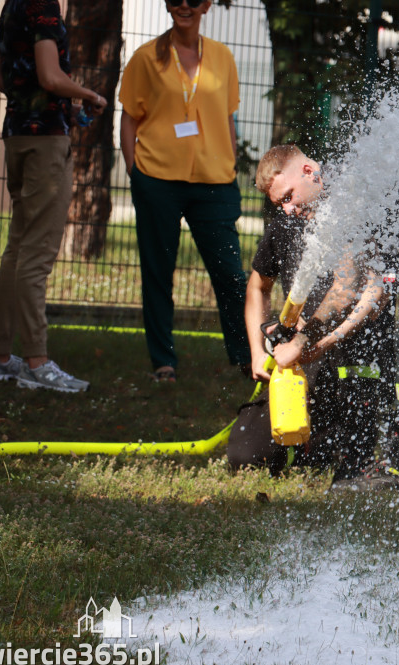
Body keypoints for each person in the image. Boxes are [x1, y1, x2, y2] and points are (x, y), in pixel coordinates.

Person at [227, 145, 394, 481]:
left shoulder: (356, 207)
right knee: (245, 455)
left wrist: (306, 340)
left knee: (343, 430)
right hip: (305, 362)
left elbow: (350, 290)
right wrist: (258, 353)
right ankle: (320, 445)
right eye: (280, 204)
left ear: (307, 171)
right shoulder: (285, 226)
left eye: (289, 196)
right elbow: (257, 288)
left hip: (355, 356)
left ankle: (353, 450)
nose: (288, 209)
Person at [119, 0, 248, 383]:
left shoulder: (223, 57)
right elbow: (129, 119)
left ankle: (247, 356)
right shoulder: (146, 58)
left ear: (206, 5)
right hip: (157, 179)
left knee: (230, 273)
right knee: (158, 272)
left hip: (214, 182)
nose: (184, 6)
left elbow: (227, 118)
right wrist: (134, 171)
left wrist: (231, 163)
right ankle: (164, 362)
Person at [0, 0, 107, 393]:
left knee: (17, 249)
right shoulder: (46, 9)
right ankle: (37, 362)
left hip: (17, 136)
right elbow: (52, 77)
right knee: (37, 254)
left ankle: (0, 357)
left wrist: (40, 100)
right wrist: (88, 96)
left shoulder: (14, 6)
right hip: (45, 148)